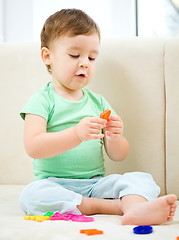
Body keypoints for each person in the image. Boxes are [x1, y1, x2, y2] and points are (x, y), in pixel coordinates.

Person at [19, 9, 177, 225]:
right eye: (75, 55)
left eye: (92, 57)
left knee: (141, 178)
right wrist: (76, 133)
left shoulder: (98, 103)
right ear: (48, 57)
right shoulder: (42, 100)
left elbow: (118, 155)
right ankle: (115, 206)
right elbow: (33, 147)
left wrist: (114, 138)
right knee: (31, 196)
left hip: (96, 185)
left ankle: (136, 210)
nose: (85, 62)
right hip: (54, 184)